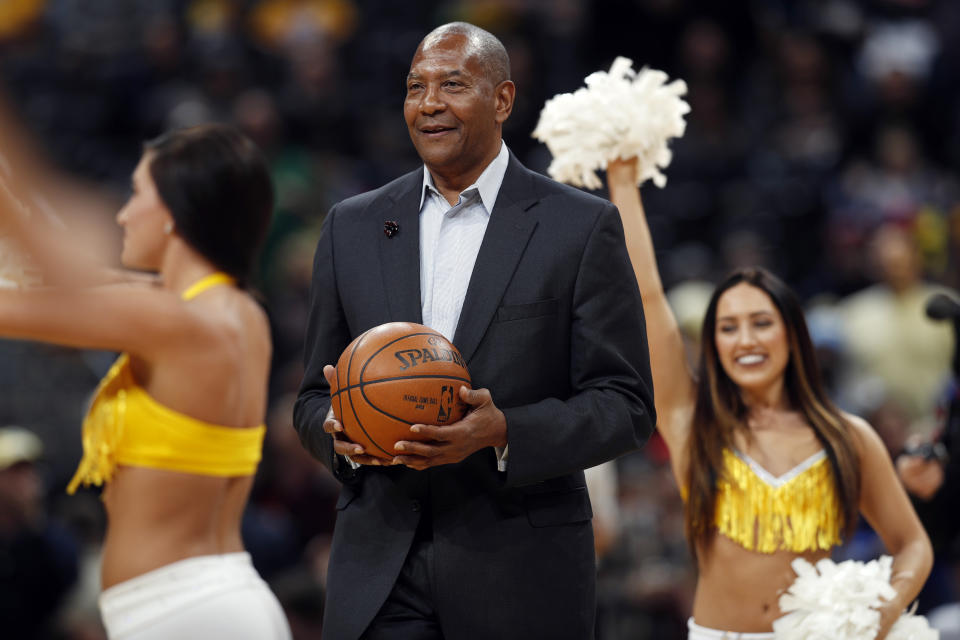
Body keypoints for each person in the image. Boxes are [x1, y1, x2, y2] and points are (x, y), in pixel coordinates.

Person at [293, 22, 655, 640]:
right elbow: (310, 399)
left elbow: (625, 405)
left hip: (518, 571)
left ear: (503, 100)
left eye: (452, 85)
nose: (428, 103)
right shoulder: (351, 227)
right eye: (415, 87)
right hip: (381, 568)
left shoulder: (579, 227)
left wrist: (504, 431)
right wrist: (340, 433)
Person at [604, 156, 933, 640]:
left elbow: (912, 544)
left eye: (761, 323)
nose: (746, 340)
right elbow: (647, 297)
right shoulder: (692, 421)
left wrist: (882, 610)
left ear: (792, 335)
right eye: (728, 328)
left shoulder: (848, 436)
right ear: (713, 344)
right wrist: (624, 180)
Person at [0, 124, 292, 639]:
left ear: (177, 213)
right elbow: (72, 278)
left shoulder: (177, 321)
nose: (123, 212)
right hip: (204, 603)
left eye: (137, 194)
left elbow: (23, 302)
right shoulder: (233, 310)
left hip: (187, 612)